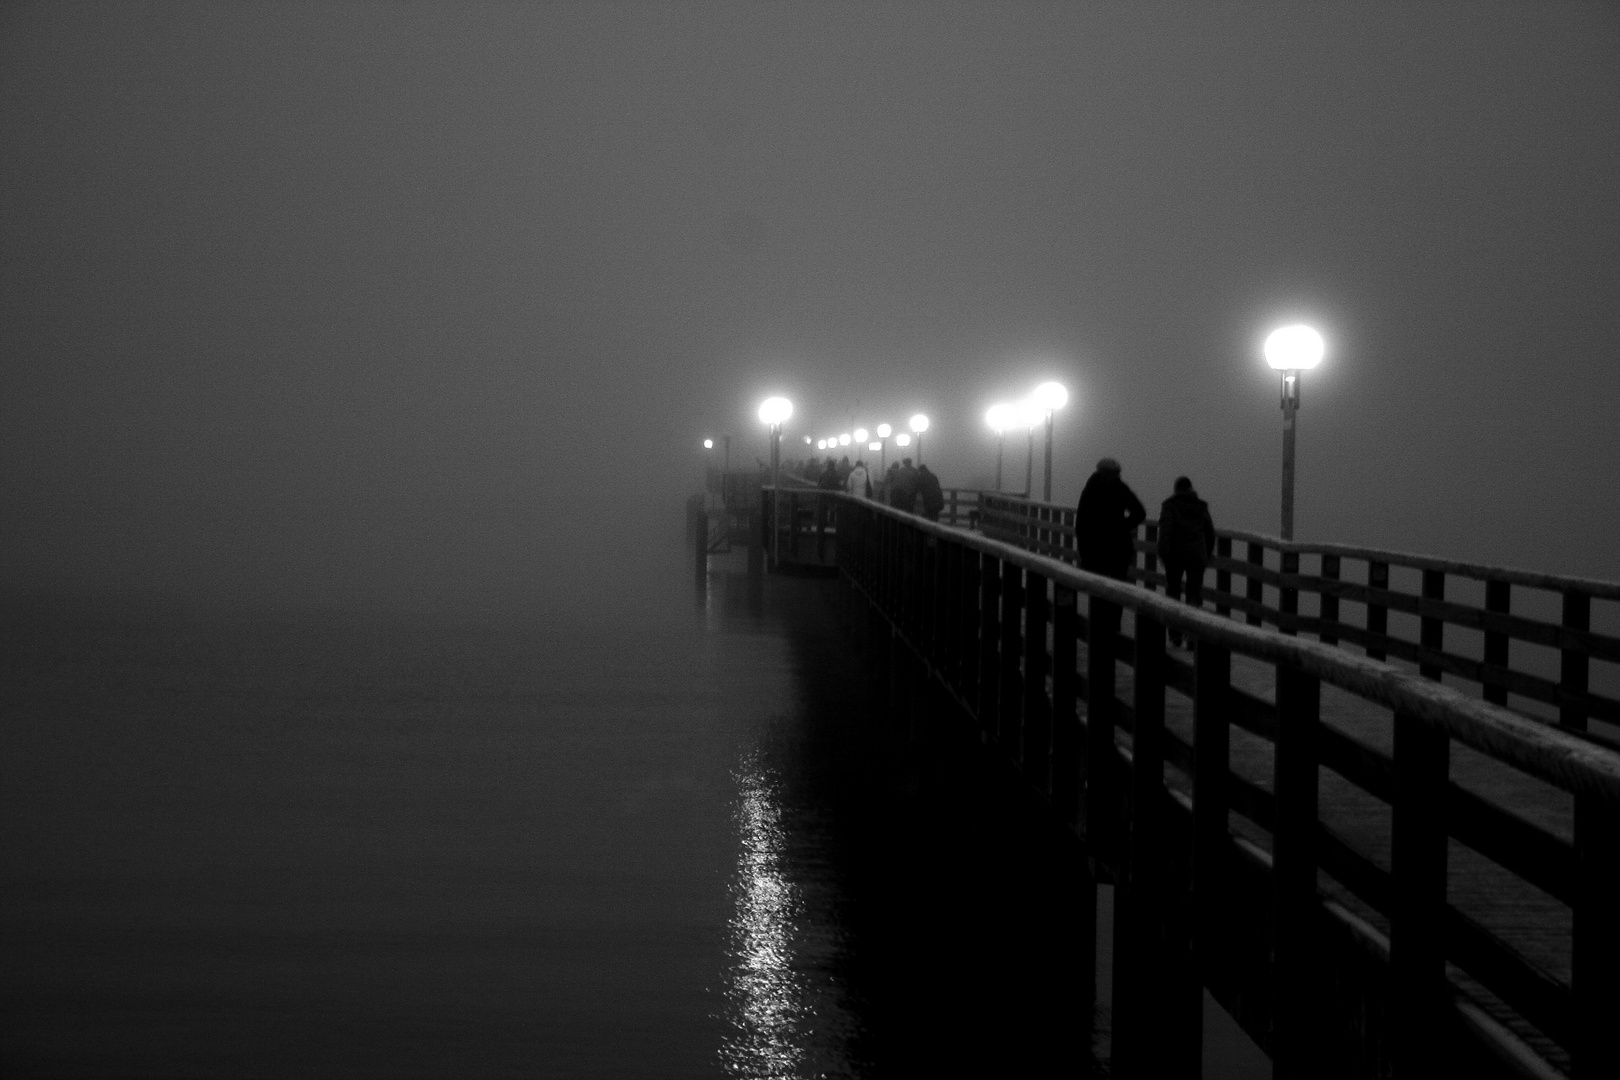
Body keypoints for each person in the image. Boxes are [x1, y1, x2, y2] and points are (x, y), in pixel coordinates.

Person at [1156, 476, 1217, 647]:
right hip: (1197, 556)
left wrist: (1163, 553)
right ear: (1190, 488)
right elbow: (1210, 533)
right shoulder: (1201, 506)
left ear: (1176, 489)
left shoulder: (1170, 506)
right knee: (1194, 594)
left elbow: (1165, 531)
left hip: (1175, 556)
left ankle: (1175, 635)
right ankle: (1191, 636)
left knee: (1173, 592)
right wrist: (1207, 553)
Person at [1074, 457, 1146, 580]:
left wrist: (1084, 553)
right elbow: (1139, 512)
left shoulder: (1090, 489)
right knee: (1117, 587)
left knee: (1097, 590)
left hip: (1093, 548)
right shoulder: (1120, 488)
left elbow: (1081, 523)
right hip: (1117, 548)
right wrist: (1122, 527)